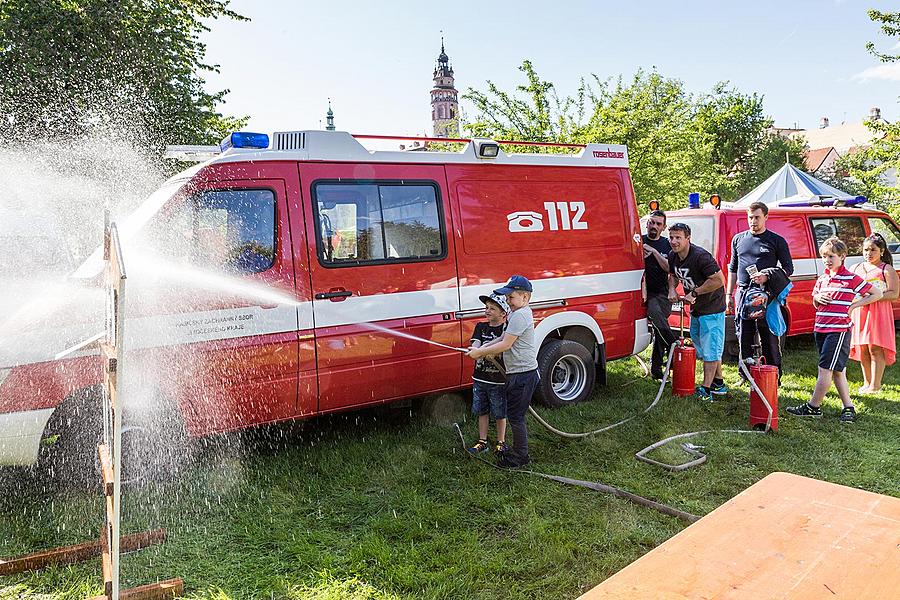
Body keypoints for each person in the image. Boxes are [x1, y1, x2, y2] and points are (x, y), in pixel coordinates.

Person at [787, 237, 882, 423]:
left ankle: (813, 407)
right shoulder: (822, 279)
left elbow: (876, 293)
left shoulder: (851, 278)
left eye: (831, 256)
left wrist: (854, 305)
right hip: (820, 329)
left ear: (842, 256)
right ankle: (849, 408)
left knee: (825, 369)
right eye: (824, 256)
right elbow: (815, 300)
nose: (827, 260)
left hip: (838, 331)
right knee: (838, 370)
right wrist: (818, 299)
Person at [467, 275, 539, 468]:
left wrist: (481, 351)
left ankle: (520, 456)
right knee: (515, 413)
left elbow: (506, 344)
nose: (508, 301)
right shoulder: (516, 314)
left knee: (516, 416)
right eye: (507, 298)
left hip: (524, 374)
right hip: (517, 373)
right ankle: (517, 452)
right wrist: (480, 350)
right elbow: (500, 340)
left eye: (511, 297)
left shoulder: (522, 315)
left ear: (525, 297)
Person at [726, 202, 793, 375]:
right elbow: (732, 269)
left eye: (757, 217)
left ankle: (773, 374)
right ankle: (746, 374)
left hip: (766, 294)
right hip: (743, 292)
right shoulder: (738, 239)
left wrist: (768, 275)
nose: (753, 221)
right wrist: (728, 294)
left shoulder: (776, 240)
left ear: (766, 217)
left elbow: (788, 268)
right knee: (743, 335)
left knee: (768, 336)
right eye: (750, 217)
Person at [667, 222, 727, 401]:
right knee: (703, 347)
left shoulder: (701, 257)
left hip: (712, 307)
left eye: (678, 237)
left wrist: (694, 292)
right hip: (697, 309)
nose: (674, 241)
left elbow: (719, 280)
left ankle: (706, 390)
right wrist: (672, 288)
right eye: (671, 237)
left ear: (688, 238)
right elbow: (672, 275)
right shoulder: (673, 255)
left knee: (710, 349)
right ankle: (719, 382)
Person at [849, 233, 898, 393]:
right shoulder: (855, 268)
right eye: (865, 250)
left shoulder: (886, 269)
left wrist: (874, 296)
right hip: (860, 311)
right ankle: (867, 382)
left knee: (875, 347)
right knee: (862, 347)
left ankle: (875, 385)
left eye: (873, 250)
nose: (868, 253)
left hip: (878, 312)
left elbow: (894, 293)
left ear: (882, 251)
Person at [466, 293, 510, 457]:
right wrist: (476, 350)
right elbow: (476, 343)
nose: (488, 311)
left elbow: (502, 343)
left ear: (503, 313)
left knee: (500, 412)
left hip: (498, 380)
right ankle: (482, 442)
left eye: (492, 308)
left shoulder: (506, 331)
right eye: (486, 308)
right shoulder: (480, 327)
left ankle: (501, 442)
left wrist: (481, 351)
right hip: (480, 378)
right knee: (481, 410)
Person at [642, 209, 676, 380]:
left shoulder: (666, 245)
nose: (654, 226)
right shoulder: (639, 241)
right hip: (643, 292)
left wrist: (654, 252)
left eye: (658, 224)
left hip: (662, 293)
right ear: (647, 223)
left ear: (663, 227)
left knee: (657, 320)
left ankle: (669, 352)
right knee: (657, 323)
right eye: (651, 222)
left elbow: (670, 269)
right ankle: (661, 363)